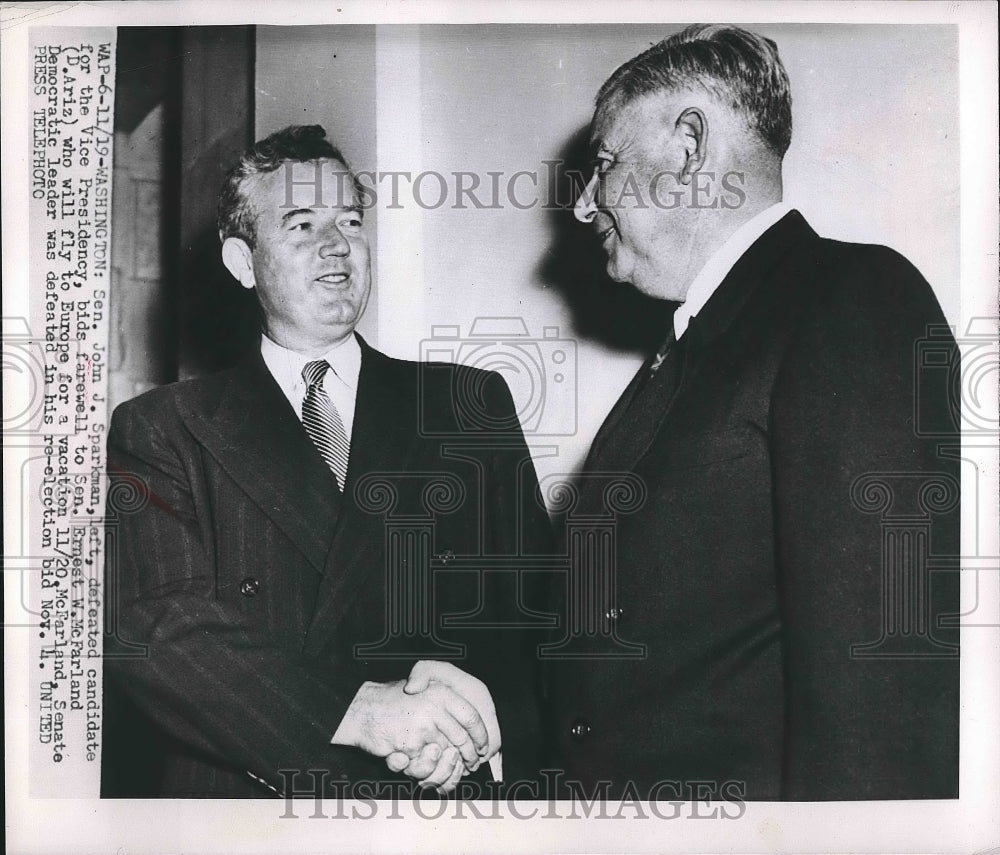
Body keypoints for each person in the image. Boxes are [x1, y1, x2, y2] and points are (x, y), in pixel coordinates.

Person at [542, 24, 960, 800]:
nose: (585, 203)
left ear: (689, 146)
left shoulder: (850, 300)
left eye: (604, 165)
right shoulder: (698, 340)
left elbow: (882, 691)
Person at [101, 125, 552, 798]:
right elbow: (162, 629)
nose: (336, 243)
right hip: (247, 810)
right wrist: (357, 710)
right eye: (302, 223)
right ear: (242, 262)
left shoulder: (466, 404)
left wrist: (479, 730)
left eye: (349, 219)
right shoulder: (164, 427)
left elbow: (542, 615)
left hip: (440, 801)